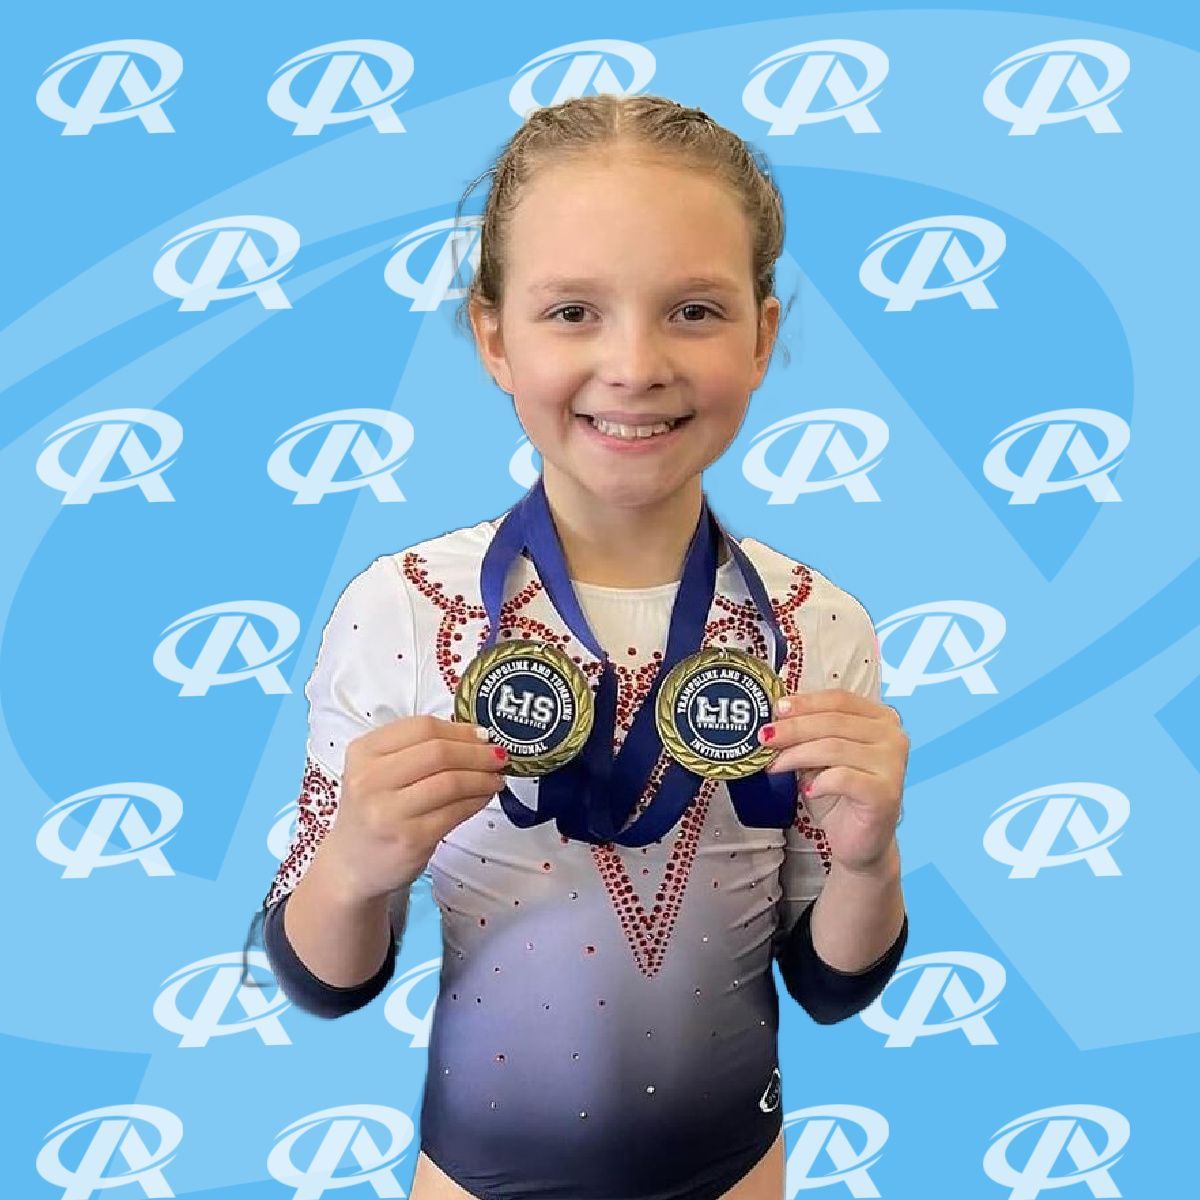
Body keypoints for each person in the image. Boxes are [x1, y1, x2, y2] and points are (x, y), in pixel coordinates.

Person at [244, 94, 910, 1200]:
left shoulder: (813, 623)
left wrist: (872, 857)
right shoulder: (404, 607)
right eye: (572, 313)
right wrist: (357, 860)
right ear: (494, 337)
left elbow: (829, 984)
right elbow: (326, 982)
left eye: (694, 310)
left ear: (764, 337)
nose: (635, 363)